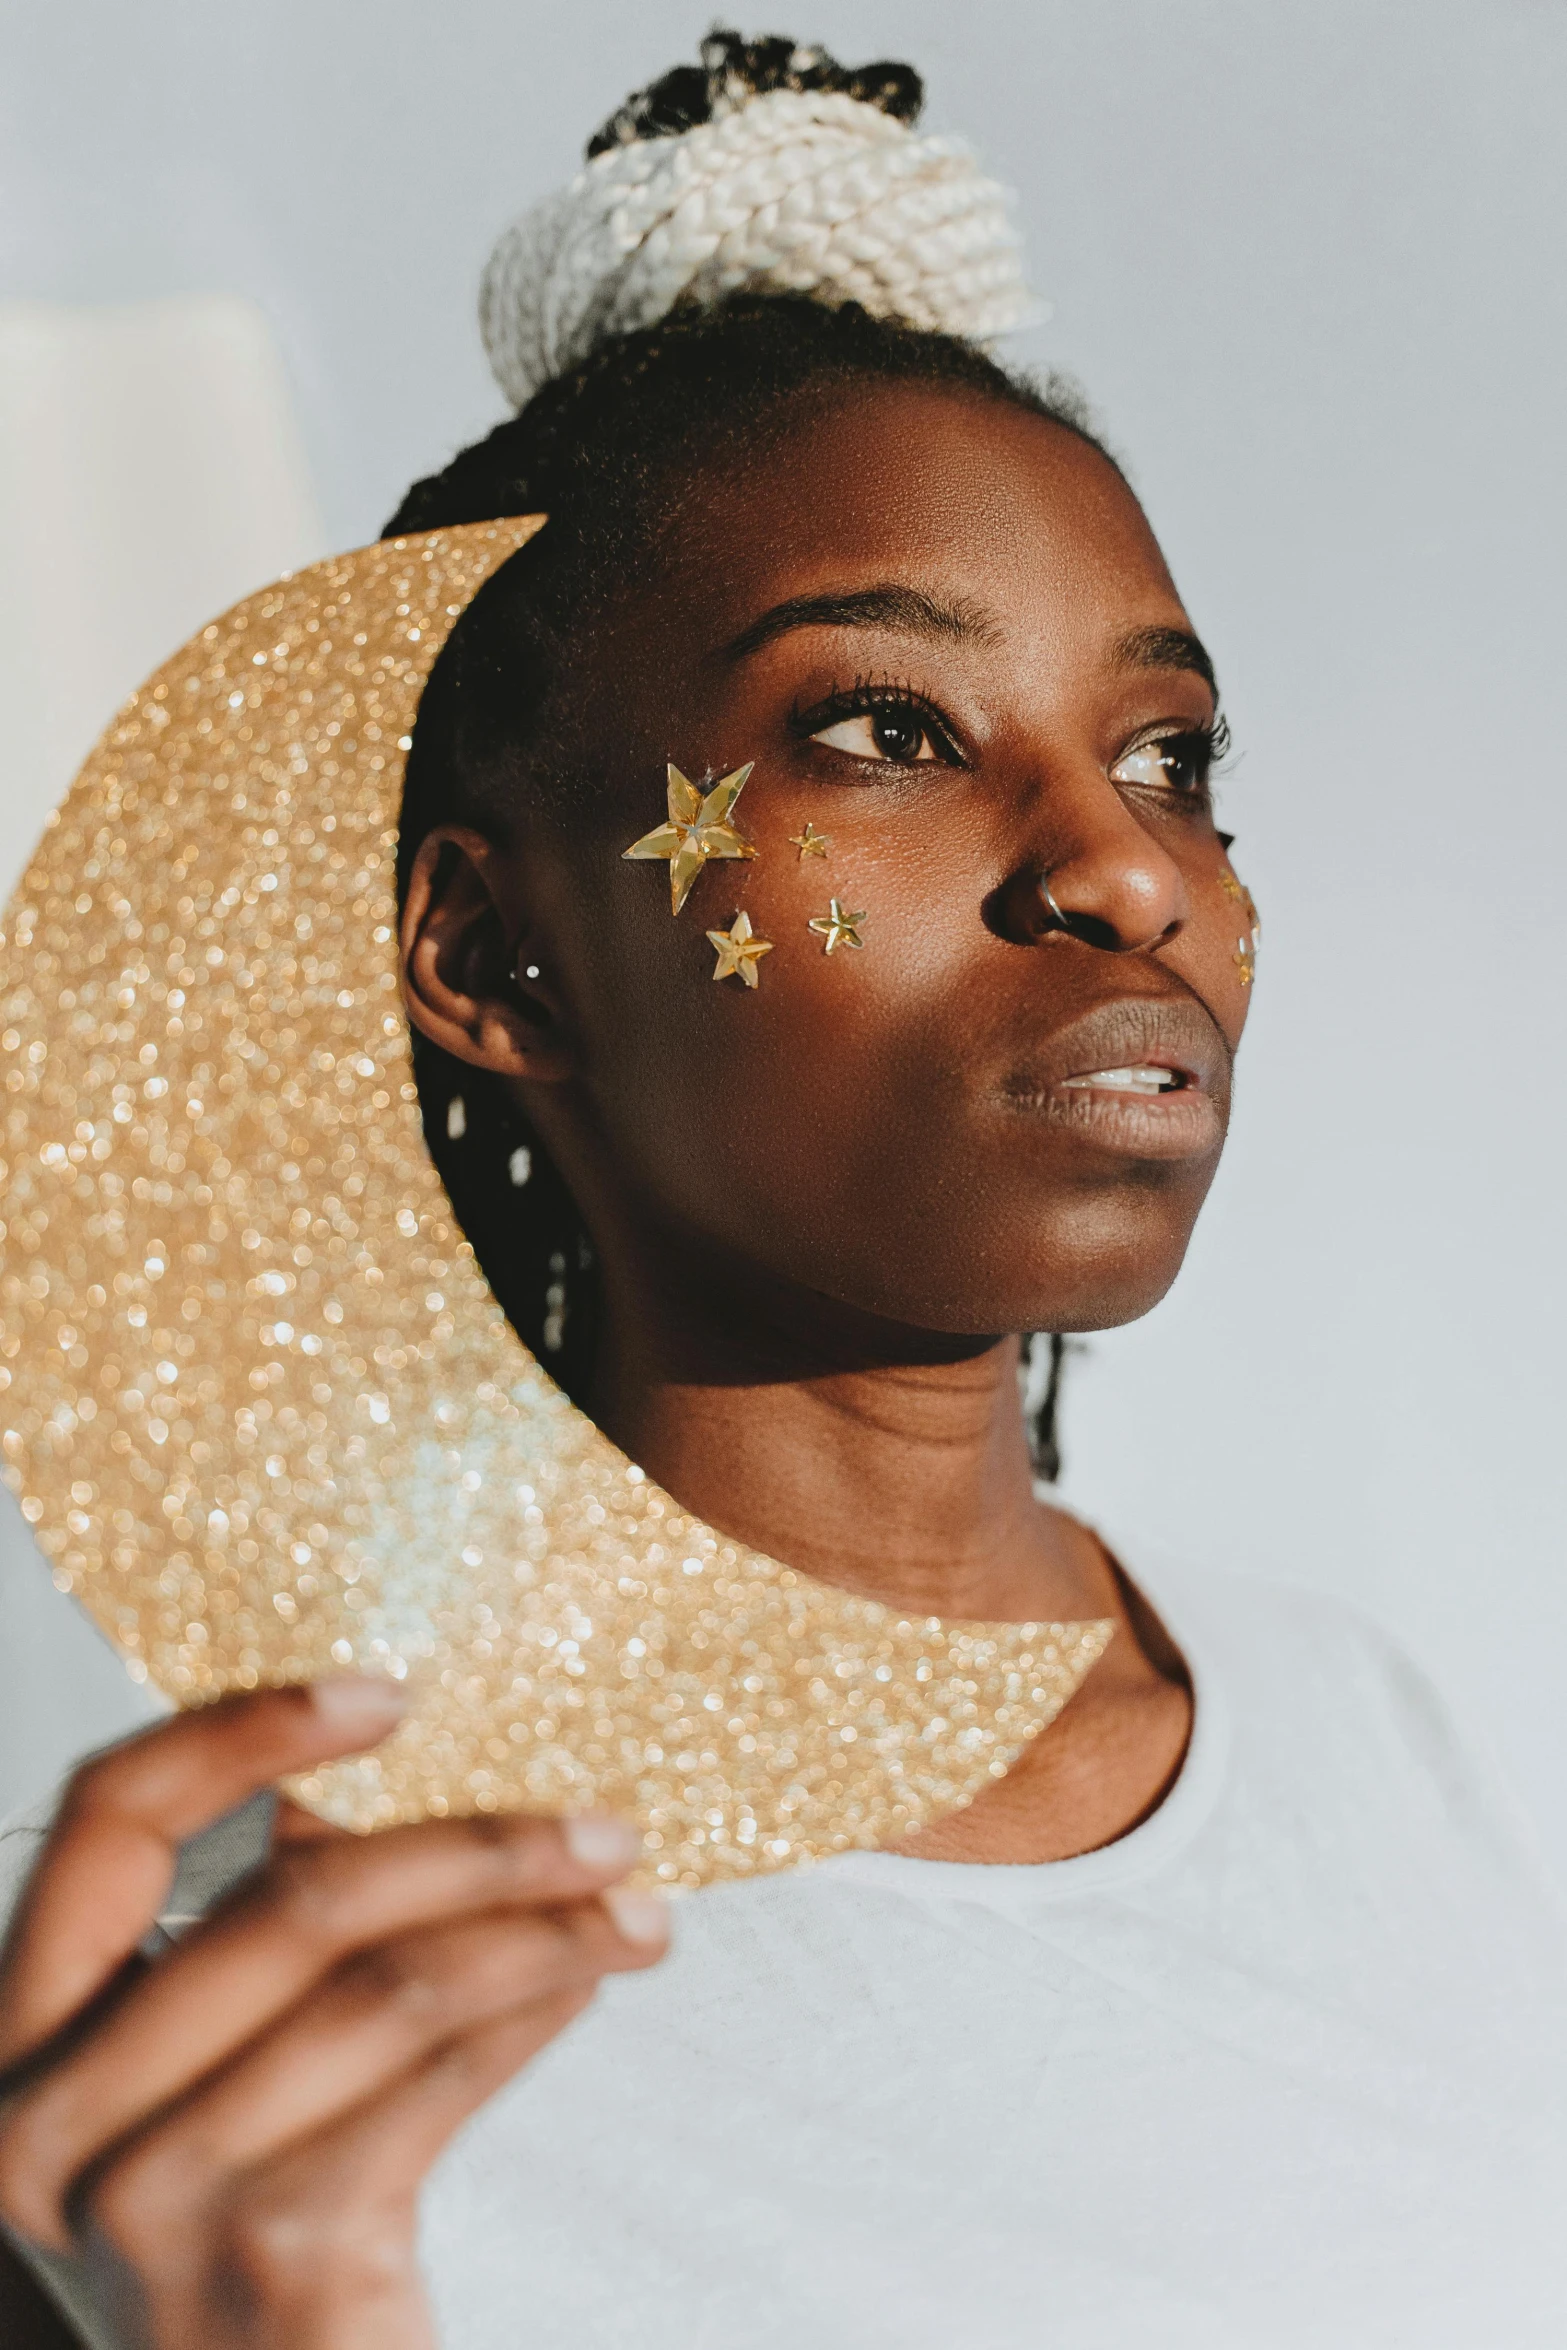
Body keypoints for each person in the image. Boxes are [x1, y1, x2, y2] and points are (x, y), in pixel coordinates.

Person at [0, 31, 1563, 2350]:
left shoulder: (1381, 1748)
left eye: (1171, 753)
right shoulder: (204, 2018)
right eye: (884, 728)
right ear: (491, 951)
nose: (1129, 866)